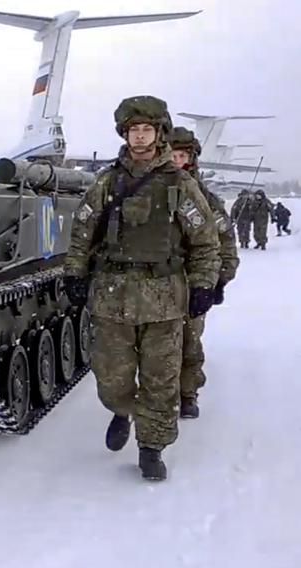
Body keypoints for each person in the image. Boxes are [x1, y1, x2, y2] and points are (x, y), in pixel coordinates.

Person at [63, 96, 221, 481]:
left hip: (165, 298)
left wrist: (203, 283)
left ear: (159, 133)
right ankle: (123, 410)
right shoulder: (107, 181)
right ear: (125, 133)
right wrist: (74, 272)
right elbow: (83, 231)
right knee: (112, 379)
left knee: (161, 379)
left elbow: (204, 240)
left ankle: (152, 447)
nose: (140, 136)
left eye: (147, 129)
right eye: (134, 130)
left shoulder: (178, 183)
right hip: (112, 294)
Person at [169, 127, 240, 419]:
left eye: (181, 156)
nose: (175, 160)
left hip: (192, 280)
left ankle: (187, 394)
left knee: (188, 340)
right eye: (171, 154)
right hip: (154, 281)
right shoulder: (149, 190)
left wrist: (220, 279)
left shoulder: (205, 200)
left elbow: (225, 240)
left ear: (191, 159)